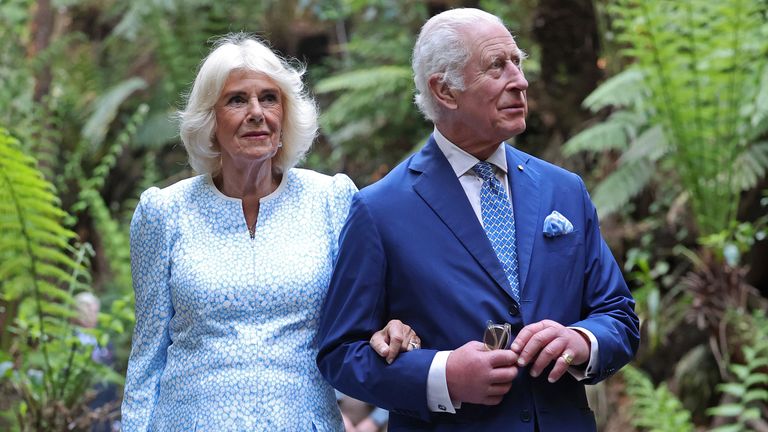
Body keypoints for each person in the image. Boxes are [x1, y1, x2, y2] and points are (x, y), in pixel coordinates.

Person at [316, 8, 640, 431]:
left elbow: (618, 314)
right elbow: (341, 353)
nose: (520, 80)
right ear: (445, 91)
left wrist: (581, 340)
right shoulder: (379, 209)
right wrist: (443, 376)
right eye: (496, 66)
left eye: (517, 62)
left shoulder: (564, 190)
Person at [121, 33, 419, 431]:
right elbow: (147, 355)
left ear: (286, 114)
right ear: (210, 120)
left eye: (269, 98)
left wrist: (393, 329)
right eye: (237, 100)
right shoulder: (164, 211)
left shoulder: (330, 199)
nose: (256, 112)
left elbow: (365, 320)